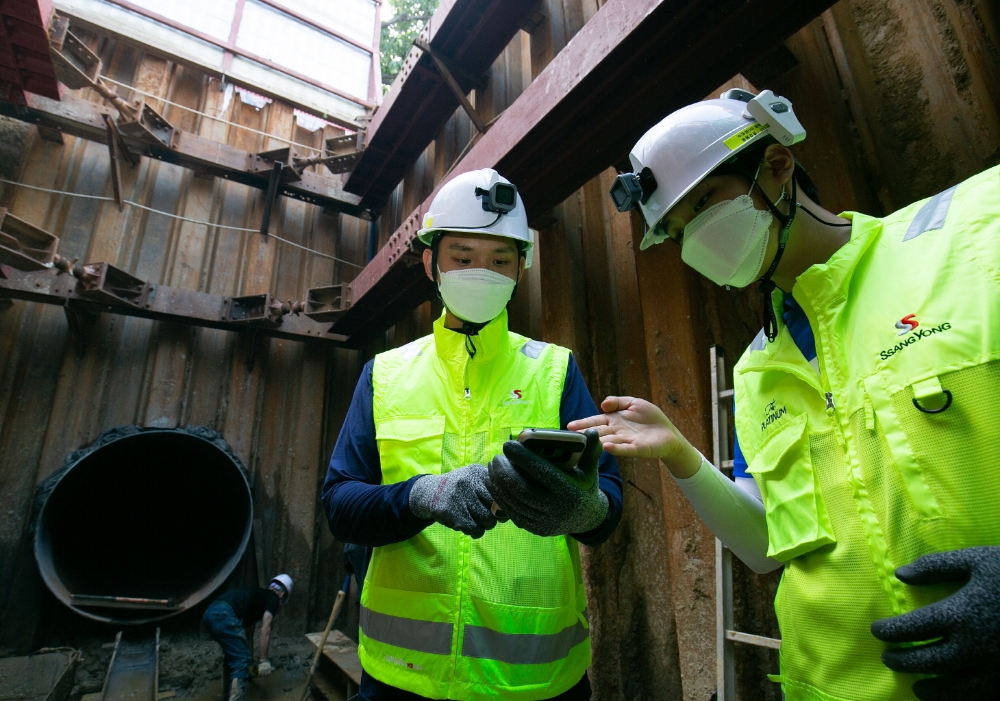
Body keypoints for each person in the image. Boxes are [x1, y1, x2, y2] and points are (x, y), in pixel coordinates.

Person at [569, 89, 1000, 701]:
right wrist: (680, 456)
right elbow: (768, 548)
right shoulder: (756, 370)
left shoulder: (973, 231)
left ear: (776, 165)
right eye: (679, 232)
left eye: (704, 205)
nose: (697, 242)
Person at [322, 168, 623, 701]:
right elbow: (341, 505)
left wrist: (584, 510)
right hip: (401, 676)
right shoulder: (384, 374)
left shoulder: (555, 371)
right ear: (430, 262)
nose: (482, 273)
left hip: (535, 681)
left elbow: (607, 508)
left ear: (521, 268)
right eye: (463, 258)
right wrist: (422, 496)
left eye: (500, 260)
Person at [202, 574, 292, 701]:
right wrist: (263, 661)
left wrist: (250, 665)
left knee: (233, 656)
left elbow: (248, 636)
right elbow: (265, 630)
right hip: (226, 614)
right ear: (282, 595)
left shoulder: (255, 600)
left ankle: (226, 695)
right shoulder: (274, 599)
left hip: (210, 613)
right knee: (240, 661)